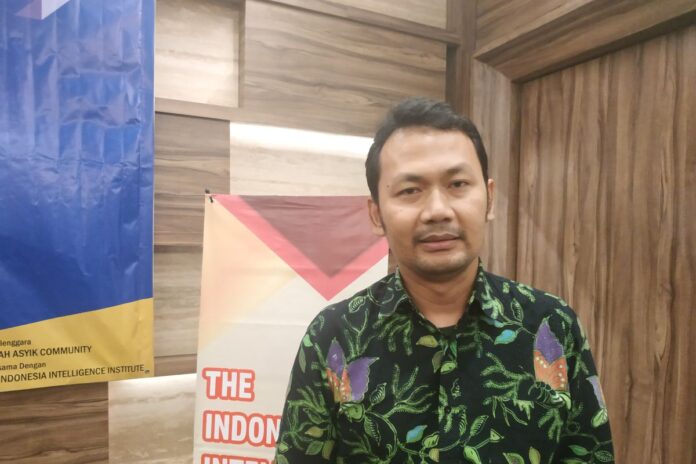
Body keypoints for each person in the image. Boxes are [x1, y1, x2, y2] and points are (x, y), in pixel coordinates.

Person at [274, 98, 614, 463]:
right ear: (376, 214)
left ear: (490, 198)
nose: (437, 210)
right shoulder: (333, 335)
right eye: (410, 190)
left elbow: (590, 454)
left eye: (457, 184)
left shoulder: (552, 325)